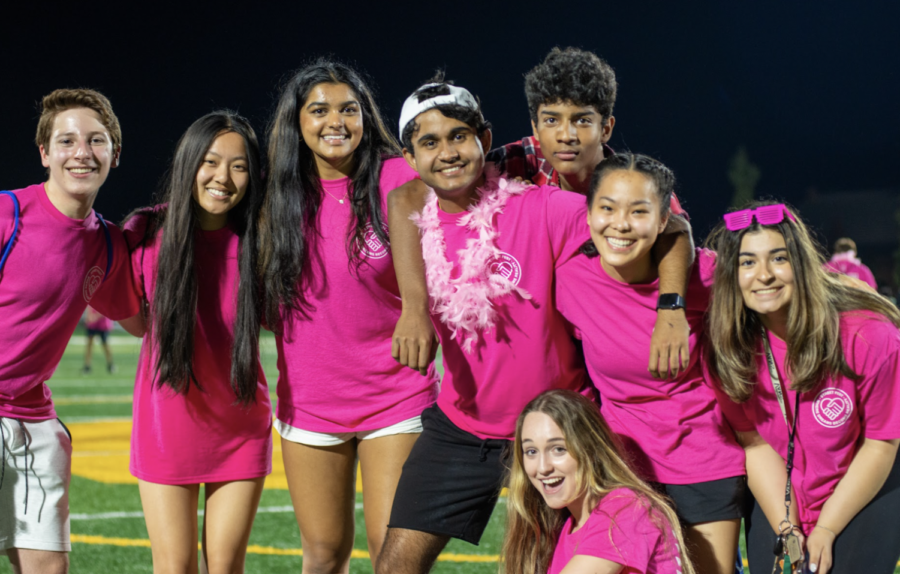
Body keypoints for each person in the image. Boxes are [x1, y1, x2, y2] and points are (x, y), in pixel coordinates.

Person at [375, 76, 615, 574]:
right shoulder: (412, 221)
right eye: (430, 142)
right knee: (394, 565)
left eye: (459, 136)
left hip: (553, 427)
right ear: (410, 157)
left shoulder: (542, 207)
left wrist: (676, 301)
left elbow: (646, 216)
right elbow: (401, 200)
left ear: (484, 140)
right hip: (460, 426)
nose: (447, 152)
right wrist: (413, 309)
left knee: (533, 568)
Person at [389, 48, 694, 381]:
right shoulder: (515, 162)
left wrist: (671, 308)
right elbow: (406, 196)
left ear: (606, 128)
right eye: (551, 120)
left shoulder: (632, 184)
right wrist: (414, 307)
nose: (566, 134)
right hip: (550, 345)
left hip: (623, 329)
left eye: (582, 120)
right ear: (535, 125)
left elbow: (676, 229)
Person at [258, 59, 438, 573]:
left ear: (366, 117)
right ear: (297, 123)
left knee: (395, 554)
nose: (335, 121)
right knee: (323, 552)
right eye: (318, 110)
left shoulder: (398, 177)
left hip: (396, 393)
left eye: (348, 110)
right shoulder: (275, 195)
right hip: (310, 401)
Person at [554, 153, 746, 573]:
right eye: (607, 208)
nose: (620, 224)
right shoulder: (570, 279)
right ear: (588, 213)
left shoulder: (706, 277)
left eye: (639, 212)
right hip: (620, 464)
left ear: (664, 221)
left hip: (702, 459)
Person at [705, 201, 900, 574]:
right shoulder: (727, 348)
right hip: (787, 488)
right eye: (747, 262)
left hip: (865, 476)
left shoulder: (868, 334)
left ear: (802, 263)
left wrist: (826, 527)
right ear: (732, 273)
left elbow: (880, 444)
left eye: (778, 258)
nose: (763, 275)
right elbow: (756, 444)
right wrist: (788, 527)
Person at [121, 111, 272, 574]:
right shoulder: (145, 232)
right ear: (188, 162)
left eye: (239, 165)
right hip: (168, 422)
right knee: (175, 567)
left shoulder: (260, 239)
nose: (223, 178)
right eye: (210, 162)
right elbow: (134, 320)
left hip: (242, 424)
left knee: (226, 567)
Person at [0, 89, 140, 574]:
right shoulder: (6, 216)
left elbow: (141, 322)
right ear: (44, 153)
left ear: (114, 155)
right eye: (67, 140)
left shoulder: (106, 244)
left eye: (96, 140)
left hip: (35, 424)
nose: (82, 152)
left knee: (48, 568)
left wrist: (170, 237)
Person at [503, 389, 696, 574]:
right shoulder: (566, 525)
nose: (542, 467)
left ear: (592, 450)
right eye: (531, 452)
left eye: (559, 449)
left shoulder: (625, 510)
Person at [82, 306, 115, 374]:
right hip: (92, 323)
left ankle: (110, 364)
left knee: (105, 344)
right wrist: (89, 316)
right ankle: (87, 366)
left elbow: (106, 308)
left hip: (103, 323)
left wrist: (95, 317)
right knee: (89, 344)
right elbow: (89, 306)